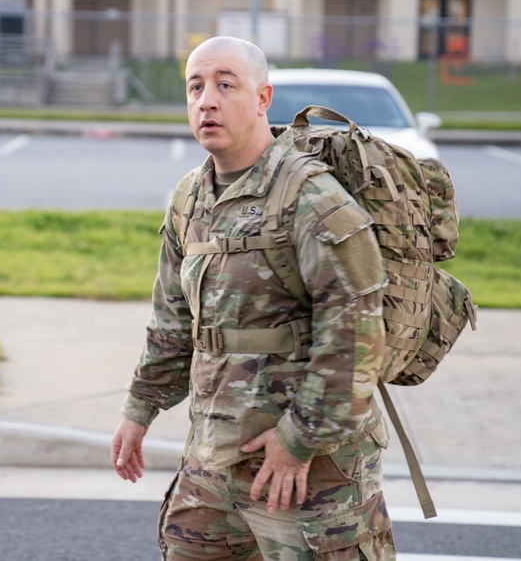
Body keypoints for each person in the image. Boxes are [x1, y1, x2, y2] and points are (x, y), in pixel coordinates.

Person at [110, 36, 397, 559]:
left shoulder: (313, 199)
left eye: (225, 85)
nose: (206, 101)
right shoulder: (190, 197)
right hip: (213, 457)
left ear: (263, 98)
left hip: (308, 471)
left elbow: (357, 341)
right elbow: (173, 319)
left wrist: (298, 440)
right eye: (195, 87)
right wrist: (140, 407)